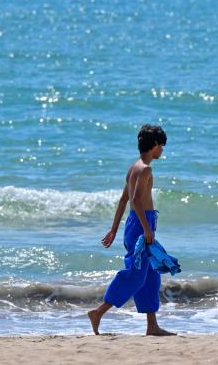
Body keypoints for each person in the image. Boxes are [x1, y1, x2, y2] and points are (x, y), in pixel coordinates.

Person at [88, 124, 176, 336]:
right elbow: (135, 200)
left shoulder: (133, 167)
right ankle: (98, 313)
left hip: (137, 224)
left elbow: (123, 200)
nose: (162, 150)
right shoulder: (144, 169)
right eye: (161, 145)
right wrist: (146, 229)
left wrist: (114, 230)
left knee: (151, 274)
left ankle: (152, 326)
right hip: (140, 225)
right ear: (154, 145)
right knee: (135, 275)